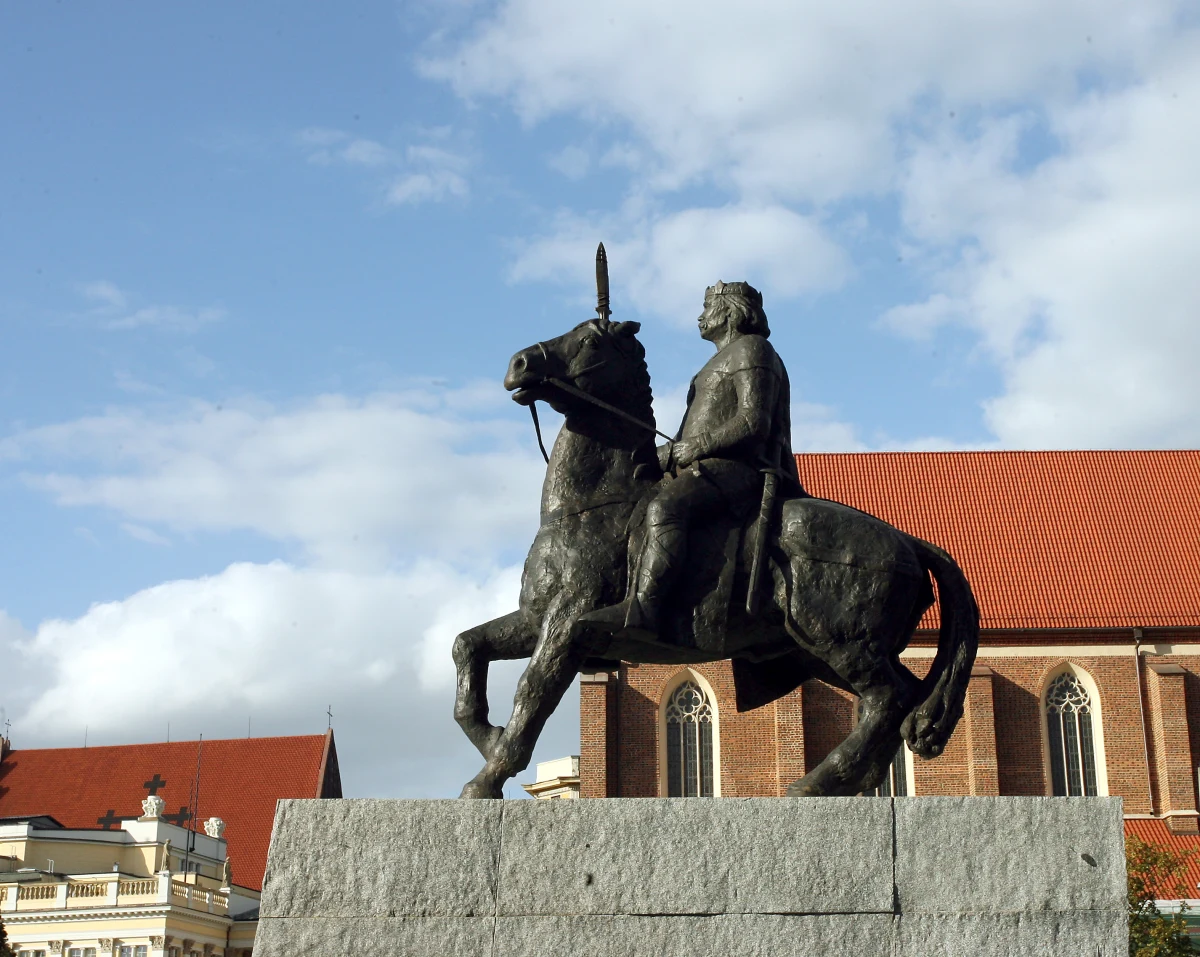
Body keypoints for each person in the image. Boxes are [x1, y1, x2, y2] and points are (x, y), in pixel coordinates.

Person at [584, 280, 802, 639]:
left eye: (707, 307)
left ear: (730, 311)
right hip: (707, 466)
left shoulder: (752, 350)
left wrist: (697, 446)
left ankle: (644, 611)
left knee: (665, 508)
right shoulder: (720, 359)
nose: (700, 316)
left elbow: (753, 421)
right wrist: (667, 454)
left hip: (740, 469)